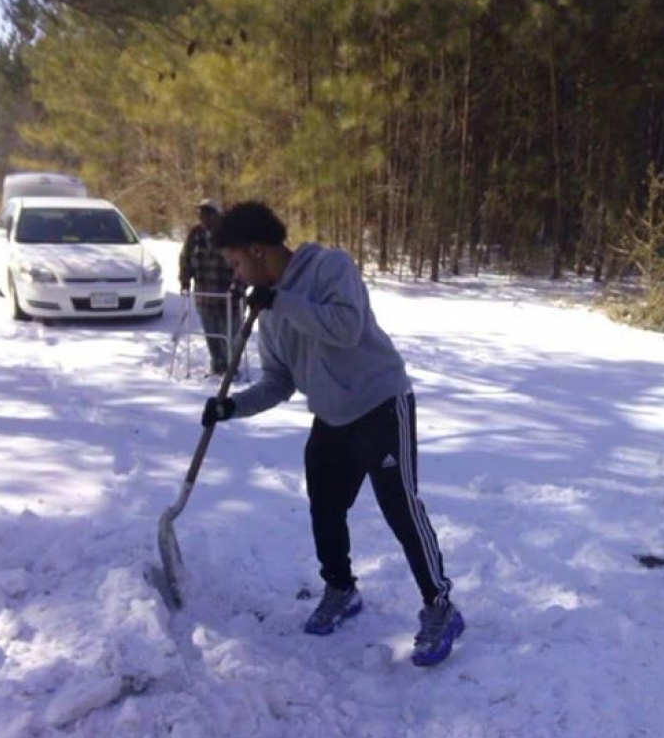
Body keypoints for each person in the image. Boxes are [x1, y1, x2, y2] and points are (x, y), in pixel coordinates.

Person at [202, 200, 465, 667]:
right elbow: (279, 381)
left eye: (237, 262)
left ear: (259, 250)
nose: (237, 275)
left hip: (381, 406)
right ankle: (341, 590)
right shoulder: (269, 309)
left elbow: (344, 328)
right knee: (325, 507)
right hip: (331, 417)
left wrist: (282, 301)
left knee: (401, 509)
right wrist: (232, 406)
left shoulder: (330, 267)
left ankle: (440, 606)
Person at [179, 198, 242, 376]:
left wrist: (238, 287)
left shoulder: (231, 235)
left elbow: (242, 264)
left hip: (229, 296)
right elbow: (185, 258)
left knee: (231, 335)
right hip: (205, 295)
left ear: (217, 215)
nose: (203, 217)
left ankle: (232, 368)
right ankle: (218, 365)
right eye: (201, 213)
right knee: (212, 333)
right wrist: (184, 279)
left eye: (207, 213)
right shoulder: (195, 234)